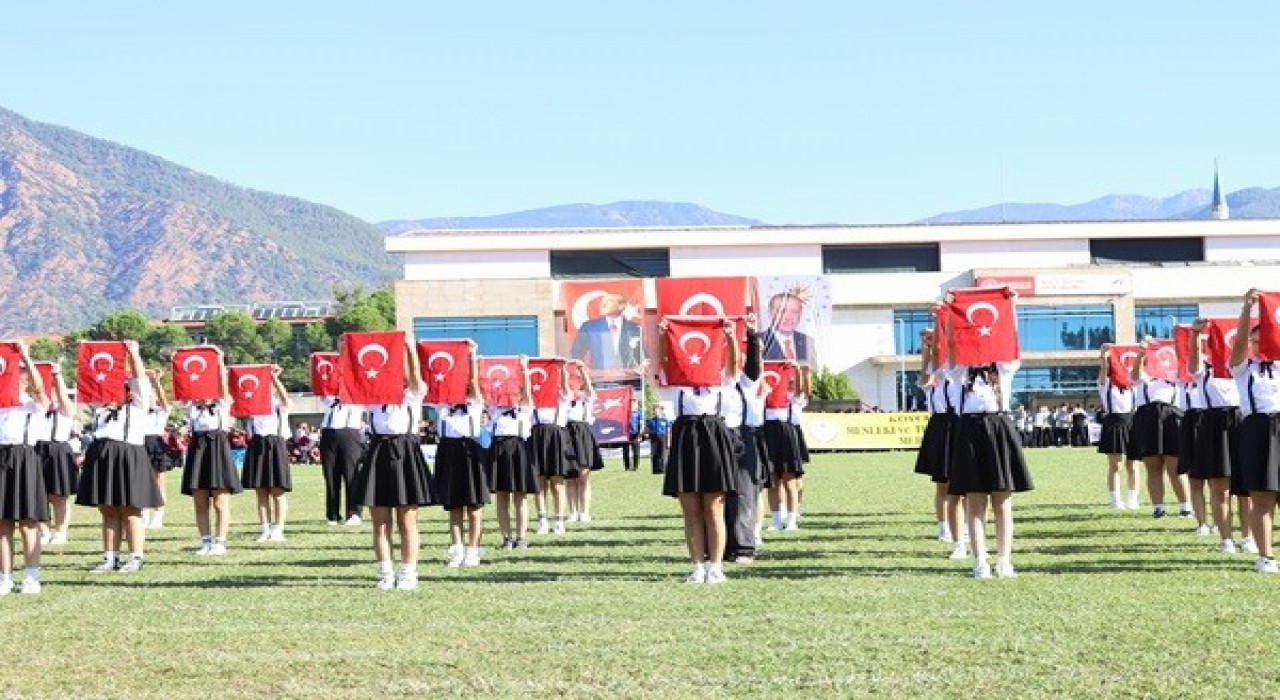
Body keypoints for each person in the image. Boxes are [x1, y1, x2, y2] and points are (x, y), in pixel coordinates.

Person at [944, 288, 1033, 579]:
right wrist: (950, 314)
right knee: (974, 499)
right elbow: (951, 343)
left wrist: (1011, 305)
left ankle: (1004, 560)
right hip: (969, 429)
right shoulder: (960, 371)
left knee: (1002, 499)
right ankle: (980, 560)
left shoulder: (1004, 367)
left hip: (998, 427)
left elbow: (1011, 337)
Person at [353, 333, 438, 589]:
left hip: (405, 452)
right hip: (378, 451)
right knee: (380, 522)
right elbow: (354, 375)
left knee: (407, 520)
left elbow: (416, 378)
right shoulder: (372, 396)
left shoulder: (413, 393)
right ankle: (385, 572)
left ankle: (409, 572)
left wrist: (409, 349)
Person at [659, 316, 739, 584]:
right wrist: (663, 335)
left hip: (714, 438)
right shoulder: (679, 381)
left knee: (714, 506)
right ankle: (697, 566)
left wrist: (728, 336)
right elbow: (663, 364)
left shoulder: (720, 379)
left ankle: (716, 566)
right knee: (690, 508)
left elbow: (734, 366)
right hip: (686, 438)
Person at [76, 341, 163, 573]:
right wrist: (85, 354)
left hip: (127, 457)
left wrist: (134, 353)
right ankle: (110, 557)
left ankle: (135, 557)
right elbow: (92, 377)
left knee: (130, 509)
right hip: (102, 458)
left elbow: (141, 380)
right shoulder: (101, 410)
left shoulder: (137, 406)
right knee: (107, 509)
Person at [1185, 318, 1253, 553]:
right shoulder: (1206, 368)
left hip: (1242, 423)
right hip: (1213, 424)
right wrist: (1195, 334)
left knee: (1246, 489)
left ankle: (1248, 537)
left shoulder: (1247, 366)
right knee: (1219, 487)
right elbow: (1193, 366)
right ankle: (1226, 539)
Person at [1229, 290, 1280, 573]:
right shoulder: (1244, 368)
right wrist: (1247, 310)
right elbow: (1237, 343)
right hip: (1258, 429)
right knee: (1262, 498)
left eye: (1266, 334)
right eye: (1255, 337)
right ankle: (1266, 558)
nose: (1260, 341)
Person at [181, 354, 243, 556]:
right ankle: (205, 541)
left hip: (217, 448)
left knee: (220, 501)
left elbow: (225, 387)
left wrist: (219, 361)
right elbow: (182, 386)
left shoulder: (222, 405)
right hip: (198, 449)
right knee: (200, 501)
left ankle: (220, 541)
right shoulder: (192, 407)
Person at [0, 342, 49, 595]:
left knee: (28, 522)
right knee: (2, 523)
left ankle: (31, 576)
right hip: (1, 457)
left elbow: (41, 390)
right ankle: (5, 577)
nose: (15, 381)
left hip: (24, 457)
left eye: (21, 378)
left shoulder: (34, 404)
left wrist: (27, 358)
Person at [913, 326, 966, 560]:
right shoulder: (935, 377)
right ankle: (943, 524)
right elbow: (925, 376)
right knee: (942, 483)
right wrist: (927, 349)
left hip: (960, 423)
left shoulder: (958, 373)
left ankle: (961, 525)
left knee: (962, 483)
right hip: (940, 426)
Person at [434, 346, 489, 567]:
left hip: (470, 451)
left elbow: (474, 382)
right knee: (454, 505)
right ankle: (457, 549)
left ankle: (474, 549)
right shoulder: (442, 404)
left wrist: (472, 356)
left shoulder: (474, 403)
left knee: (474, 506)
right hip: (448, 451)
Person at [1129, 338, 1191, 518]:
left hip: (1171, 416)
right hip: (1147, 417)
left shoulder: (1174, 374)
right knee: (1153, 467)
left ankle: (1185, 506)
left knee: (1175, 466)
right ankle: (1158, 507)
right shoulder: (1143, 376)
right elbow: (1134, 375)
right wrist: (1141, 353)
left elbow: (1188, 371)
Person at [723, 315, 766, 564]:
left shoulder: (745, 383)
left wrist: (751, 337)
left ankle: (743, 547)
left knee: (743, 495)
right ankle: (723, 546)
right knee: (720, 496)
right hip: (718, 437)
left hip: (743, 438)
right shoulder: (712, 384)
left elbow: (752, 365)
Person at [485, 356, 538, 550]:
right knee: (501, 496)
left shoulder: (524, 408)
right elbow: (485, 387)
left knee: (520, 496)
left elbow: (528, 393)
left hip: (518, 449)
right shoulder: (494, 408)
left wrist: (523, 369)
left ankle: (521, 537)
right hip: (498, 448)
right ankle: (506, 538)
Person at [242, 366, 293, 543]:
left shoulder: (277, 405)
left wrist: (275, 379)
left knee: (277, 492)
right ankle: (265, 528)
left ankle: (278, 528)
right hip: (257, 444)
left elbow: (287, 400)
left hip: (275, 444)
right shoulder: (252, 405)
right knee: (261, 491)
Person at [35, 361, 76, 547]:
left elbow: (63, 397)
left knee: (59, 495)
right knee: (37, 494)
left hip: (58, 450)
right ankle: (43, 530)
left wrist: (57, 376)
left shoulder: (64, 409)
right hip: (35, 450)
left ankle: (60, 531)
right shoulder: (33, 409)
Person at [530, 361, 573, 536]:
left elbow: (566, 389)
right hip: (537, 437)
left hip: (556, 438)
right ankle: (542, 520)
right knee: (539, 483)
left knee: (557, 483)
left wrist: (562, 370)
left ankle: (559, 520)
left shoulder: (561, 397)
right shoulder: (533, 398)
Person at [1096, 347, 1140, 510]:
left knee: (1133, 465)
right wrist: (1104, 355)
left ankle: (1133, 498)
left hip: (1132, 422)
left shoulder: (1132, 385)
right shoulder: (1105, 384)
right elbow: (1103, 368)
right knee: (1116, 465)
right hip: (1113, 423)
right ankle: (1115, 499)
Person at [318, 390, 365, 526]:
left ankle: (354, 513)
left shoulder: (357, 396)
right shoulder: (330, 399)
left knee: (351, 475)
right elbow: (320, 387)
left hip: (349, 433)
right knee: (331, 476)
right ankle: (332, 514)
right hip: (328, 434)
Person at [565, 360, 603, 522]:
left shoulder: (586, 396)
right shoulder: (565, 396)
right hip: (566, 432)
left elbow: (589, 389)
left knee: (583, 475)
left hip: (583, 433)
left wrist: (582, 370)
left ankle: (584, 511)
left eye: (578, 380)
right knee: (569, 476)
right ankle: (572, 511)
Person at [569, 292, 643, 370]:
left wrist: (642, 366)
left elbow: (642, 356)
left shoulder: (634, 328)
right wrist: (583, 370)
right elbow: (576, 353)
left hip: (628, 379)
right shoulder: (589, 327)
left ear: (621, 306)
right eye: (603, 302)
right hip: (599, 379)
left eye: (609, 301)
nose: (603, 305)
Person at [141, 369, 174, 529]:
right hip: (140, 443)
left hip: (156, 443)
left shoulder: (162, 411)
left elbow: (164, 400)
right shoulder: (138, 411)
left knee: (159, 481)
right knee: (143, 481)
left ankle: (158, 515)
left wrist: (156, 382)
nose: (149, 398)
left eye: (151, 395)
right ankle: (144, 513)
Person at [761, 291, 814, 364]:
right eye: (782, 311)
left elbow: (814, 373)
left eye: (794, 311)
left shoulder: (808, 341)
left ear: (800, 315)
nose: (788, 317)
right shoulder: (757, 341)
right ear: (770, 314)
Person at [645, 404, 670, 475]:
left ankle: (662, 469)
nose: (656, 412)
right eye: (654, 410)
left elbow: (668, 431)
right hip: (653, 437)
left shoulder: (665, 420)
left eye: (657, 410)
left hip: (663, 437)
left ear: (660, 411)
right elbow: (647, 429)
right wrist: (646, 434)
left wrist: (668, 441)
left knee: (662, 454)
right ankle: (655, 470)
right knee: (654, 453)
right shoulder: (651, 420)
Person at [619, 406, 644, 472]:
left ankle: (635, 467)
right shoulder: (624, 413)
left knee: (636, 452)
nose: (632, 405)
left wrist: (640, 435)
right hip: (626, 435)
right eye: (631, 403)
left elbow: (641, 425)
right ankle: (627, 467)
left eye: (634, 403)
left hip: (635, 435)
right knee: (625, 452)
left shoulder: (638, 413)